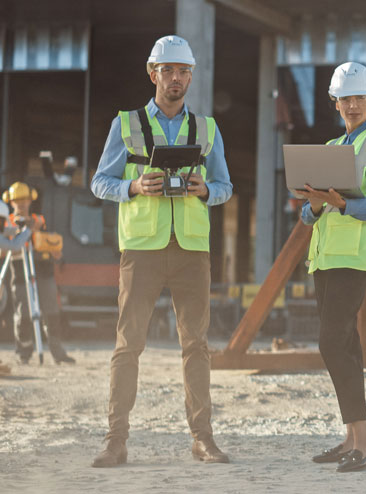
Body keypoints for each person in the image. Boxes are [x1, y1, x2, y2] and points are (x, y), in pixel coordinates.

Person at [89, 35, 233, 468]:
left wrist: (206, 189)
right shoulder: (126, 124)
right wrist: (133, 186)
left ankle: (202, 439)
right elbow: (100, 181)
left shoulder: (207, 129)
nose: (176, 78)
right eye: (168, 71)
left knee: (196, 346)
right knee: (128, 345)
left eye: (183, 71)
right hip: (142, 249)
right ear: (153, 74)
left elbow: (226, 187)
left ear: (190, 76)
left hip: (191, 249)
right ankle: (116, 440)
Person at [297, 62, 366, 473]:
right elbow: (306, 216)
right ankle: (353, 439)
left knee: (330, 343)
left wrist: (340, 203)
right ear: (335, 104)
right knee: (345, 345)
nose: (353, 105)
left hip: (354, 257)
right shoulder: (334, 146)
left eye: (360, 98)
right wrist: (317, 203)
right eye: (346, 99)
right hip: (325, 258)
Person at [1, 182, 74, 365]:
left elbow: (46, 241)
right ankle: (23, 352)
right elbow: (4, 250)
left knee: (51, 311)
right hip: (19, 270)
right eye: (18, 200)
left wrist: (55, 251)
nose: (22, 203)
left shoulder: (38, 219)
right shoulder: (7, 221)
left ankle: (57, 352)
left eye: (25, 199)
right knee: (23, 313)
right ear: (11, 202)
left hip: (43, 269)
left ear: (30, 200)